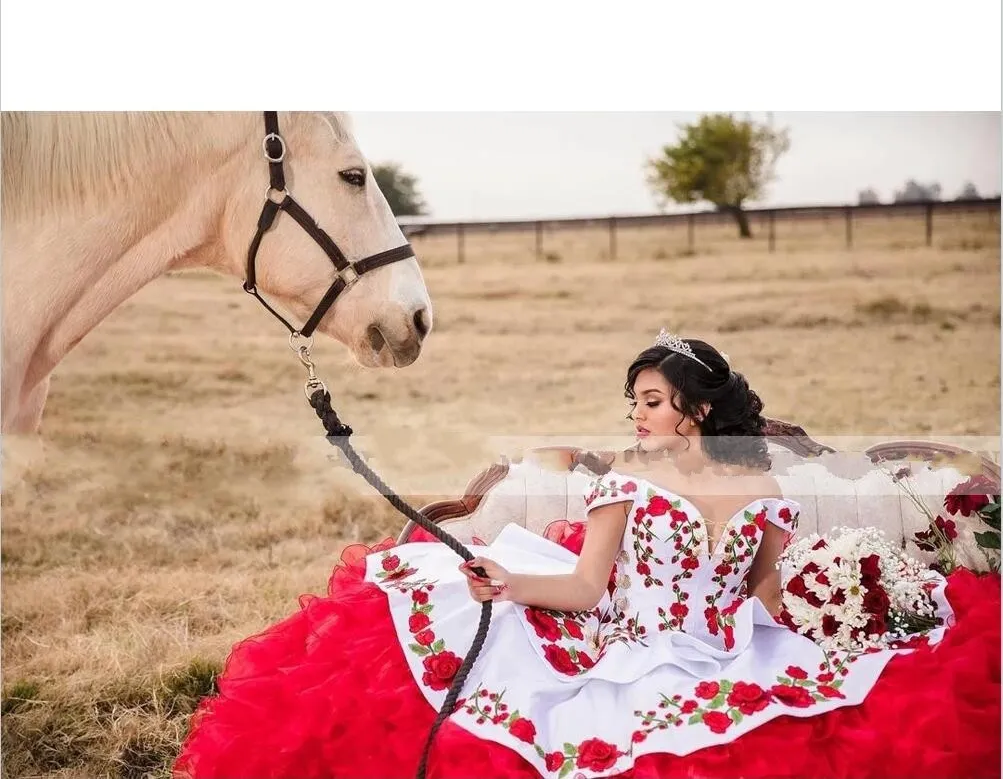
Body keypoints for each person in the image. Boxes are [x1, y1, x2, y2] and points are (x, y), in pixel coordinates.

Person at [173, 332, 1001, 779]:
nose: (635, 415)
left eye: (649, 401)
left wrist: (841, 594)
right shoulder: (627, 483)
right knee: (423, 611)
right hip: (630, 651)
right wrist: (504, 579)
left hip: (724, 656)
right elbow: (583, 584)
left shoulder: (764, 492)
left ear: (696, 409)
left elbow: (766, 592)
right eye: (633, 401)